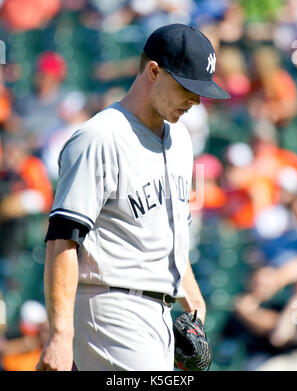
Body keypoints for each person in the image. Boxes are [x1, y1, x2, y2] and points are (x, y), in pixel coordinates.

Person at [36, 23, 230, 371]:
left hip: (158, 312)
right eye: (188, 87)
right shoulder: (99, 138)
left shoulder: (182, 140)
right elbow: (62, 239)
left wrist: (191, 294)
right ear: (153, 71)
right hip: (110, 305)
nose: (196, 100)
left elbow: (171, 230)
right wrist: (61, 336)